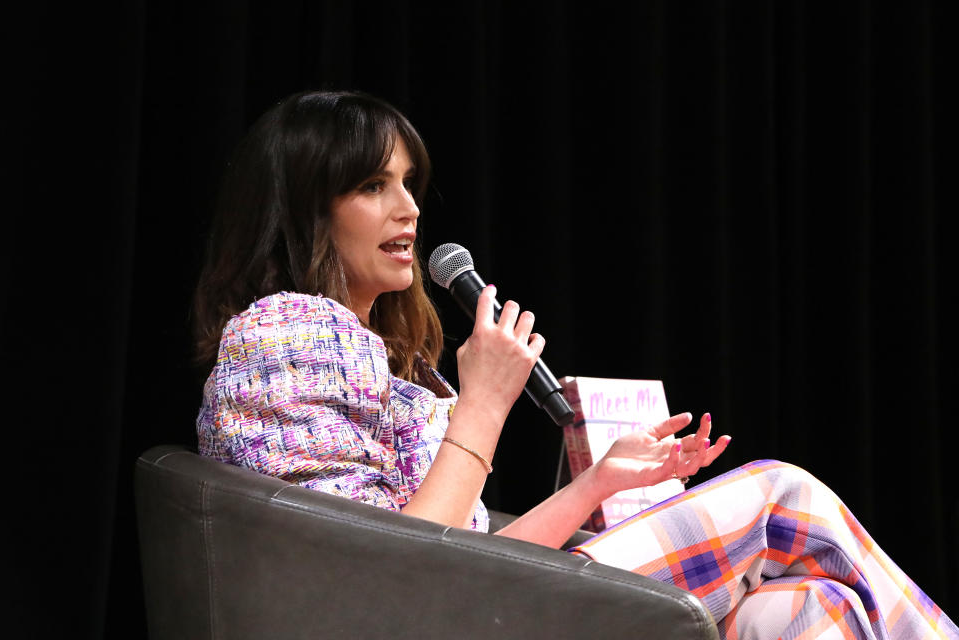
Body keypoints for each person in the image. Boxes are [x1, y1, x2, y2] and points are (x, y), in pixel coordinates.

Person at [194, 90, 957, 639]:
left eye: (408, 184)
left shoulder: (386, 359)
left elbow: (467, 553)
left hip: (467, 601)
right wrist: (484, 405)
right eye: (371, 186)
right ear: (304, 210)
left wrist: (600, 481)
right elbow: (397, 574)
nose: (410, 209)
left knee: (803, 614)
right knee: (780, 493)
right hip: (422, 619)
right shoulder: (281, 336)